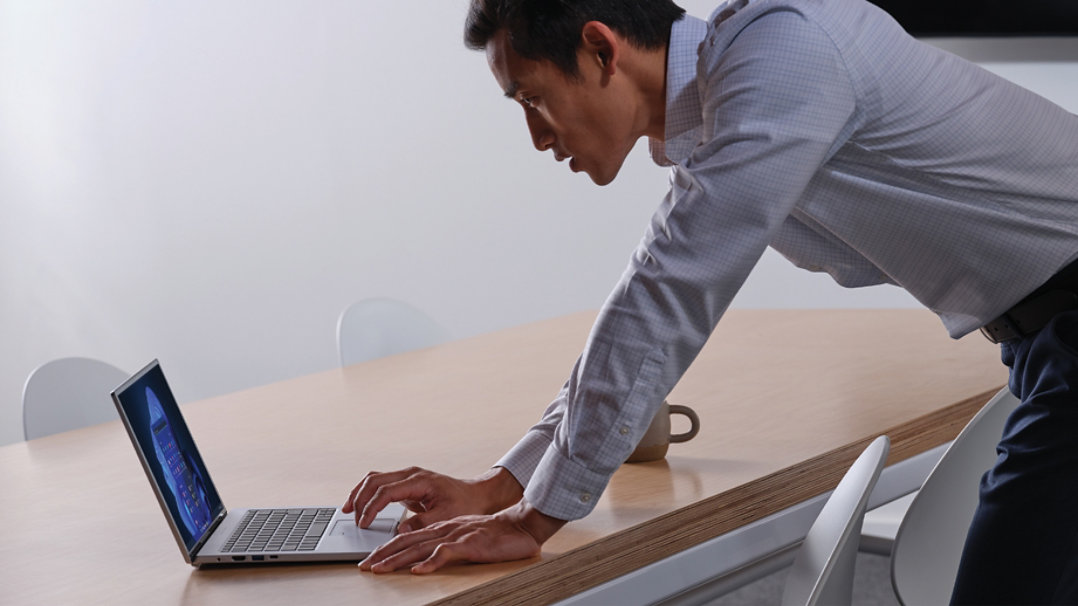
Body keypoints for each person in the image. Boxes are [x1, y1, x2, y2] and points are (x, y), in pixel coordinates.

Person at [342, 0, 1078, 601]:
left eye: (533, 97)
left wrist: (535, 518)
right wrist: (504, 484)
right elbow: (650, 294)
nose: (536, 136)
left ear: (601, 50)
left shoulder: (783, 58)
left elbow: (664, 296)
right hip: (1044, 340)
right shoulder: (737, 103)